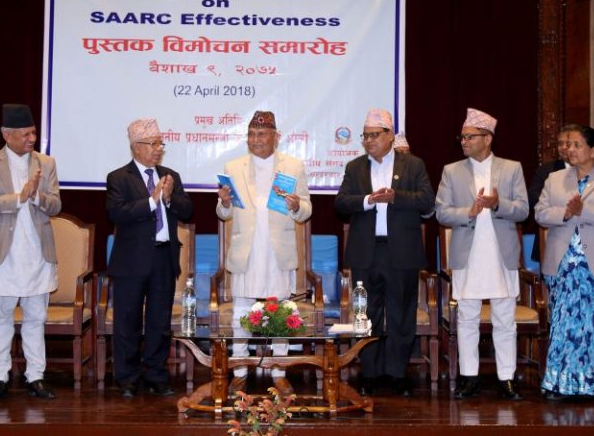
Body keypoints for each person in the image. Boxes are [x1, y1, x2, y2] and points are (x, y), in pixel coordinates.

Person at [334, 109, 434, 397]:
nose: (368, 141)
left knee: (401, 314)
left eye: (374, 135)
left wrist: (395, 197)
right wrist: (368, 200)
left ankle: (397, 374)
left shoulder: (413, 165)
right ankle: (371, 373)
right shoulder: (355, 167)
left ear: (390, 136)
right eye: (365, 136)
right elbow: (341, 203)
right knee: (366, 315)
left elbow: (427, 201)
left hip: (401, 252)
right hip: (366, 252)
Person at [216, 110, 312, 397]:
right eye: (251, 134)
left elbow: (306, 209)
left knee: (281, 311)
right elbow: (225, 213)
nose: (255, 139)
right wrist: (223, 203)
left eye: (261, 134)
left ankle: (279, 372)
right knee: (241, 313)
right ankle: (239, 372)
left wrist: (296, 205)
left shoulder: (293, 166)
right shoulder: (233, 167)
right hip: (246, 250)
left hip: (277, 250)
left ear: (275, 137)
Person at [435, 108, 528, 401]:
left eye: (470, 137)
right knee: (467, 317)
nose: (464, 142)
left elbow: (523, 210)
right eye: (462, 137)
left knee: (505, 318)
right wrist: (470, 211)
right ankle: (469, 377)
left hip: (501, 254)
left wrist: (498, 204)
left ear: (487, 139)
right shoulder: (452, 171)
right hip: (468, 254)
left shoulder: (511, 168)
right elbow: (441, 212)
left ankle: (506, 377)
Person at [535, 126, 594, 404]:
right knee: (564, 326)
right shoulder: (555, 179)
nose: (570, 149)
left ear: (593, 150)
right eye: (568, 145)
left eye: (577, 145)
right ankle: (559, 383)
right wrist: (566, 212)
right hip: (564, 266)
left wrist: (583, 210)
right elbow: (540, 213)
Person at [0, 104, 61, 402]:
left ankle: (35, 376)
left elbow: (56, 205)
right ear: (6, 135)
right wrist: (18, 197)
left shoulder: (46, 163)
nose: (32, 138)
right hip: (3, 254)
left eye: (33, 132)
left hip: (37, 252)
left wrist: (36, 196)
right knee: (1, 317)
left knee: (36, 316)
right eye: (25, 134)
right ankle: (0, 377)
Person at [106, 119, 193, 397]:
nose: (159, 149)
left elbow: (188, 210)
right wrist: (152, 201)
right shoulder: (118, 178)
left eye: (160, 143)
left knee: (159, 321)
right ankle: (127, 378)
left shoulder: (170, 176)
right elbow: (117, 213)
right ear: (137, 147)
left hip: (163, 258)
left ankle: (157, 375)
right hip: (131, 261)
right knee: (127, 322)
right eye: (153, 143)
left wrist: (168, 198)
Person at [527, 124, 582, 262]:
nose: (563, 147)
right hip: (553, 241)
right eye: (559, 143)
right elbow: (533, 198)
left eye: (567, 143)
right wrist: (566, 209)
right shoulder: (547, 171)